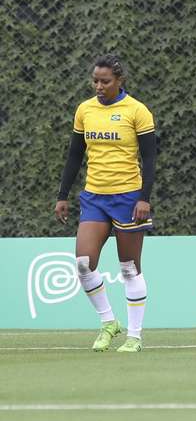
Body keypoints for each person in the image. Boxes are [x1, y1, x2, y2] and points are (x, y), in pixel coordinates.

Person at [55, 54, 156, 353]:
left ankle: (134, 336)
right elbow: (75, 155)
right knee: (84, 264)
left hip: (128, 197)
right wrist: (63, 195)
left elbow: (150, 159)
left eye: (105, 81)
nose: (99, 86)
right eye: (95, 80)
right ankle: (108, 323)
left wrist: (144, 198)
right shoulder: (85, 110)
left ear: (119, 81)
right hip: (94, 197)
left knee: (129, 269)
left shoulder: (137, 111)